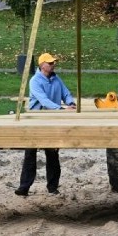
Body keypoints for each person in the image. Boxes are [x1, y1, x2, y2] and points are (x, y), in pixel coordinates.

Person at [15, 52, 76, 196]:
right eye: (50, 63)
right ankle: (24, 187)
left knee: (52, 154)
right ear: (42, 66)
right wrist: (61, 108)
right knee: (30, 154)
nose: (53, 64)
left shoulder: (56, 79)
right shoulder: (35, 81)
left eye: (53, 62)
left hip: (52, 120)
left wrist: (70, 102)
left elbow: (65, 92)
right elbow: (44, 101)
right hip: (36, 119)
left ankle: (52, 187)